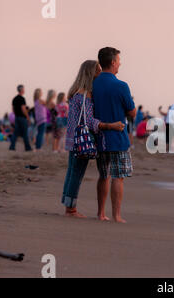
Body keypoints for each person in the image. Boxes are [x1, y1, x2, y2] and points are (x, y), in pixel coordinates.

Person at [61, 60, 125, 218]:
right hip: (82, 140)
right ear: (91, 73)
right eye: (98, 70)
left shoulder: (76, 93)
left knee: (71, 172)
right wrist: (110, 125)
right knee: (77, 173)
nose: (100, 73)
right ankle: (71, 210)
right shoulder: (86, 95)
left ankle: (67, 204)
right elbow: (89, 121)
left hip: (72, 139)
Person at [93, 47, 136, 223]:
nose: (120, 64)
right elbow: (132, 113)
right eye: (118, 60)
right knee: (118, 176)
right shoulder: (121, 85)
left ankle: (101, 213)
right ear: (112, 62)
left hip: (99, 137)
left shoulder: (93, 83)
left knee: (104, 175)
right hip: (118, 137)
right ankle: (117, 215)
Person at [9, 85, 32, 151]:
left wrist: (16, 114)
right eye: (24, 89)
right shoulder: (22, 99)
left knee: (15, 133)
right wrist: (28, 117)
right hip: (22, 118)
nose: (24, 90)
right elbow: (23, 109)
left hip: (17, 117)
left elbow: (13, 109)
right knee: (25, 133)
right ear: (21, 90)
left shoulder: (14, 98)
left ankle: (12, 147)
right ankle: (27, 148)